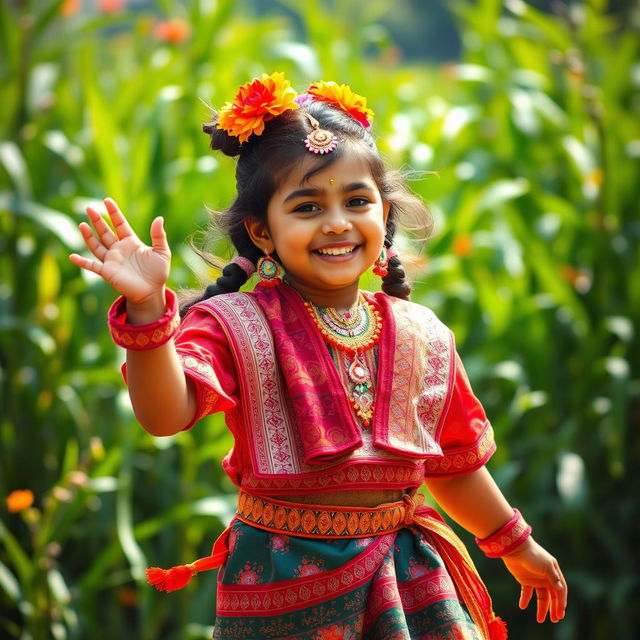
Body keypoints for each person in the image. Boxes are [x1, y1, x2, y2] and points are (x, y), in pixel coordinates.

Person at [69, 72, 567, 639]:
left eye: (357, 201)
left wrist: (514, 542)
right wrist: (145, 313)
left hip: (412, 582)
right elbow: (164, 415)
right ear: (262, 233)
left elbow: (452, 465)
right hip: (283, 590)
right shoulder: (235, 323)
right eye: (306, 207)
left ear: (384, 214)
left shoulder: (422, 333)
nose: (337, 223)